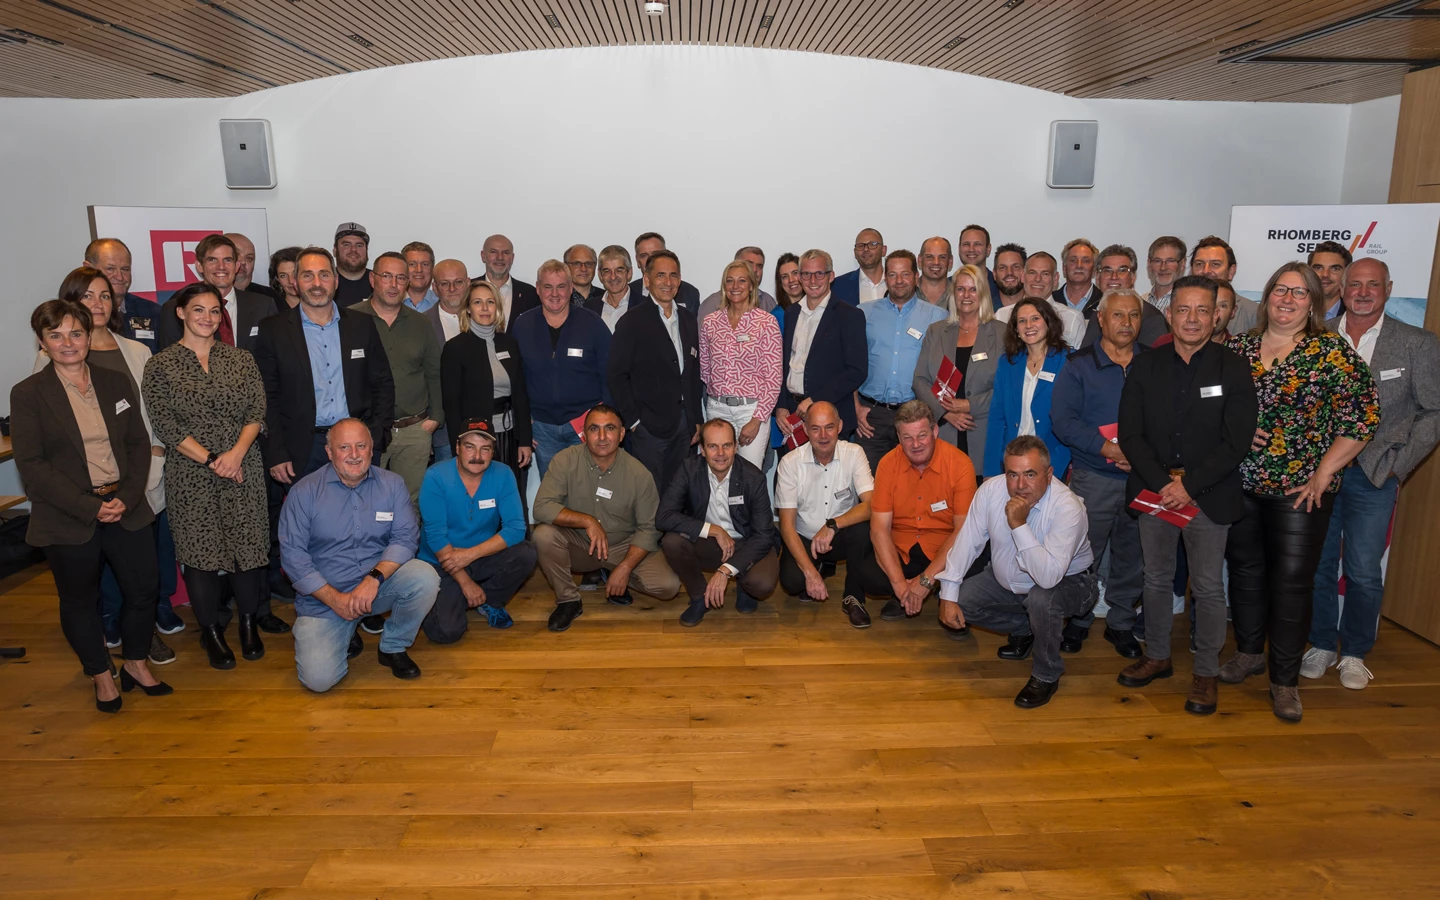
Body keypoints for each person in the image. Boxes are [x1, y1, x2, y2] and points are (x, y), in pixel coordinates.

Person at [1221, 262, 1380, 722]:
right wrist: (1232, 433)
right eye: (1280, 290)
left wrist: (1324, 472)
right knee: (1246, 573)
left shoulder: (1332, 352)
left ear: (1314, 302)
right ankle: (1249, 654)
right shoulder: (1240, 348)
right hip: (1240, 483)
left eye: (1299, 293)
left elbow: (1362, 419)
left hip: (1300, 490)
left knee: (1292, 583)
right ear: (1268, 295)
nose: (1287, 300)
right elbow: (1212, 406)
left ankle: (1284, 681)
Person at [12, 299, 170, 712]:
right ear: (43, 343)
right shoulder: (28, 393)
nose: (68, 343)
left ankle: (135, 662)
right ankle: (101, 674)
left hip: (126, 503)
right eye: (56, 335)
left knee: (144, 589)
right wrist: (89, 506)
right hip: (67, 513)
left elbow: (138, 443)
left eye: (75, 333)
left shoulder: (115, 382)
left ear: (88, 335)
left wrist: (128, 496)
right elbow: (31, 465)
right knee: (80, 600)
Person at [1116, 275, 1258, 715]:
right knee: (1156, 580)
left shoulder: (1232, 367)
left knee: (1209, 587)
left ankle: (1206, 673)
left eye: (1202, 310)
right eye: (1183, 309)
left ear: (1217, 314)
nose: (1192, 319)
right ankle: (1157, 656)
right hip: (1155, 491)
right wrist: (1163, 484)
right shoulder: (1145, 366)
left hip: (1207, 495)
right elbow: (1130, 434)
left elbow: (1238, 439)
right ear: (1170, 313)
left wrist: (1189, 486)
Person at [1306, 258, 1440, 689]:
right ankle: (1321, 643)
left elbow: (1433, 411)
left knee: (1363, 568)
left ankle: (1356, 653)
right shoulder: (1316, 338)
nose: (1363, 292)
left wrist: (1399, 465)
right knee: (1318, 564)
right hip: (1318, 473)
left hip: (1374, 474)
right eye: (1355, 285)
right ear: (1341, 289)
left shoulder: (1417, 343)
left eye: (1373, 285)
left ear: (1388, 288)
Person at [39, 268, 178, 659]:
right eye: (87, 296)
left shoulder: (136, 351)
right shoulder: (47, 363)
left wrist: (153, 461)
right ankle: (105, 631)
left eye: (104, 296)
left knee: (141, 572)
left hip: (137, 479)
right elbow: (46, 443)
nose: (98, 304)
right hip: (78, 493)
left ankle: (142, 637)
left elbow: (150, 418)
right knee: (90, 577)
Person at [143, 282, 271, 669]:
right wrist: (214, 459)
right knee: (200, 555)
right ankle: (212, 632)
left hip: (243, 466)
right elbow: (165, 424)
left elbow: (256, 412)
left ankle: (248, 624)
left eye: (215, 311)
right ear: (180, 313)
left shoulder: (241, 360)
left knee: (248, 551)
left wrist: (234, 455)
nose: (207, 318)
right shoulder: (160, 365)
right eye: (198, 310)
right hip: (190, 473)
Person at [280, 419, 440, 691]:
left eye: (361, 446)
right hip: (325, 598)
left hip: (376, 587)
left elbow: (405, 537)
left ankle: (392, 647)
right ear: (329, 452)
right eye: (344, 447)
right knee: (319, 681)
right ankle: (346, 629)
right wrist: (335, 599)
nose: (354, 455)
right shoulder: (304, 492)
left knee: (424, 577)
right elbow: (293, 557)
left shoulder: (392, 484)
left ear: (371, 448)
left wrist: (373, 579)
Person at [939, 436, 1094, 707]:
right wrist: (947, 595)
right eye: (1013, 474)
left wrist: (1019, 524)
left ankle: (1046, 674)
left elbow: (1047, 578)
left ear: (1048, 474)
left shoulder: (1068, 507)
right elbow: (968, 542)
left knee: (1041, 600)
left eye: (1030, 474)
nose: (1020, 485)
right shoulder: (990, 491)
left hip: (1070, 583)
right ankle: (1028, 628)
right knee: (962, 600)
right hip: (1004, 580)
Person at [1051, 289, 1146, 658]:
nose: (1126, 323)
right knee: (1083, 554)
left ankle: (1121, 623)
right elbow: (1064, 421)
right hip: (1094, 476)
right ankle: (1078, 619)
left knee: (1132, 555)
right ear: (1101, 320)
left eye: (1134, 315)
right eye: (1118, 315)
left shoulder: (1154, 363)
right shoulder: (1078, 365)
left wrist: (1139, 457)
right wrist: (1107, 448)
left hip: (1142, 479)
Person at [253, 247, 395, 487]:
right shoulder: (273, 330)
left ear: (336, 281)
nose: (316, 283)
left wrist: (376, 437)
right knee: (307, 521)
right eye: (307, 275)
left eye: (324, 275)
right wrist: (276, 452)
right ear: (296, 282)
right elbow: (268, 396)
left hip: (355, 443)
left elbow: (382, 383)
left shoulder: (362, 325)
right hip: (301, 449)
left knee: (359, 517)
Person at [532, 404, 681, 631]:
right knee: (543, 535)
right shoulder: (564, 460)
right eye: (594, 429)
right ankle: (569, 600)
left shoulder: (639, 473)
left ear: (622, 434)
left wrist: (625, 568)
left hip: (623, 545)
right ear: (584, 434)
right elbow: (542, 507)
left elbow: (649, 528)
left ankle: (612, 571)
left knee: (667, 586)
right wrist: (587, 521)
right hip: (580, 544)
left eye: (609, 428)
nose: (602, 437)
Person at [417, 420, 536, 643]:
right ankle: (458, 595)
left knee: (526, 553)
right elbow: (435, 536)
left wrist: (470, 554)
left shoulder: (503, 474)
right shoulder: (436, 476)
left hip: (479, 555)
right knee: (446, 633)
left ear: (493, 451)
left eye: (485, 449)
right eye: (470, 447)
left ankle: (491, 600)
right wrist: (465, 582)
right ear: (457, 447)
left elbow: (517, 528)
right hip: (440, 561)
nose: (477, 456)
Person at [861, 400, 976, 628]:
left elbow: (963, 532)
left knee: (976, 566)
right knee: (868, 575)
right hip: (903, 548)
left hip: (946, 549)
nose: (915, 444)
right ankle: (904, 596)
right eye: (907, 437)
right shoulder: (887, 464)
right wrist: (900, 585)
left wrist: (925, 581)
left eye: (922, 435)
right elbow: (879, 529)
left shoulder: (960, 464)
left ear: (934, 431)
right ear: (898, 436)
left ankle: (945, 597)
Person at [658, 419, 779, 626]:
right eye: (713, 446)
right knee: (671, 541)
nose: (720, 453)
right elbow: (663, 516)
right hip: (709, 542)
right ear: (702, 450)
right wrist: (712, 530)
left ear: (736, 447)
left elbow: (764, 535)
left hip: (746, 542)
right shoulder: (688, 469)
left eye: (727, 445)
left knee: (761, 583)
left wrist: (725, 571)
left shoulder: (753, 477)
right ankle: (699, 597)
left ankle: (743, 583)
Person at [351, 251, 444, 502]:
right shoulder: (349, 319)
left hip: (414, 429)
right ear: (373, 279)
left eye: (400, 278)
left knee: (410, 501)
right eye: (387, 276)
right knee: (364, 498)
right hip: (365, 430)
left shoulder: (421, 323)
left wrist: (435, 419)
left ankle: (406, 544)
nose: (393, 285)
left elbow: (434, 373)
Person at [610, 249, 704, 491]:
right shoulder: (632, 321)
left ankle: (674, 530)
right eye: (660, 275)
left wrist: (696, 420)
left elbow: (692, 374)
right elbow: (617, 375)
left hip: (684, 426)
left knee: (679, 491)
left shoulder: (687, 318)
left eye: (673, 275)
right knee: (650, 494)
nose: (668, 282)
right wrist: (633, 422)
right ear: (647, 280)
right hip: (648, 427)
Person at [511, 260, 611, 477]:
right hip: (542, 429)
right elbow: (515, 378)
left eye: (561, 286)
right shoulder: (522, 325)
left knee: (589, 491)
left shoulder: (592, 323)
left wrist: (604, 420)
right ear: (538, 289)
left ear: (571, 288)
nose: (554, 294)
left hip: (585, 425)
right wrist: (524, 423)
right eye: (548, 287)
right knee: (554, 495)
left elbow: (609, 374)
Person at [774, 402, 876, 611]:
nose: (823, 435)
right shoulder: (789, 463)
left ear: (840, 426)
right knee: (793, 582)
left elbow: (872, 504)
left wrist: (832, 525)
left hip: (840, 535)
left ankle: (853, 597)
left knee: (864, 528)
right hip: (805, 537)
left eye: (829, 427)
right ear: (804, 429)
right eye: (815, 428)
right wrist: (810, 574)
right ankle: (818, 566)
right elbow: (786, 526)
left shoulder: (855, 453)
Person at [855, 250, 950, 473]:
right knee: (872, 488)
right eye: (893, 275)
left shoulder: (939, 316)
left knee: (918, 483)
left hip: (917, 414)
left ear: (916, 277)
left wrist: (939, 412)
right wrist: (856, 408)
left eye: (905, 274)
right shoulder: (863, 313)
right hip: (871, 417)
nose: (899, 281)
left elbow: (944, 370)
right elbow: (850, 363)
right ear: (885, 277)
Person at [442, 279, 531, 504]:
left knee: (509, 494)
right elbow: (451, 405)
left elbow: (520, 394)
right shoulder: (455, 348)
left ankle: (514, 539)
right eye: (478, 302)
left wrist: (525, 441)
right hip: (476, 439)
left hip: (509, 436)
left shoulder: (509, 344)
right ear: (468, 309)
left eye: (490, 302)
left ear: (497, 308)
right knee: (481, 495)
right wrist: (459, 447)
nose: (484, 308)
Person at [775, 249, 868, 444]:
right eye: (806, 274)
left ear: (831, 276)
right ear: (799, 277)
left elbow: (856, 371)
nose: (813, 280)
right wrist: (782, 406)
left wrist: (815, 399)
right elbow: (785, 364)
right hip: (792, 415)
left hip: (830, 417)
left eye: (819, 273)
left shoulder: (849, 315)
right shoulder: (791, 313)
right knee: (791, 474)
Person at [914, 264, 1004, 461]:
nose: (966, 295)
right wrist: (945, 412)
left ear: (983, 293)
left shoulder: (1003, 333)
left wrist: (969, 405)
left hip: (984, 431)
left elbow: (1007, 388)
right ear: (953, 293)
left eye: (973, 289)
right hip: (944, 431)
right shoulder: (936, 331)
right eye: (960, 289)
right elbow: (920, 380)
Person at [699, 258, 782, 470]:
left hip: (751, 411)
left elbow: (773, 378)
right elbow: (705, 369)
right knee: (717, 473)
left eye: (742, 281)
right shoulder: (710, 322)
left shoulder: (766, 322)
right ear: (723, 285)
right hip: (716, 409)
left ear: (752, 285)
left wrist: (757, 420)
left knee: (748, 475)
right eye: (730, 281)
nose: (735, 287)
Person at [983, 297, 1070, 478]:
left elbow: (1073, 421)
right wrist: (991, 471)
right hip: (1011, 462)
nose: (1028, 325)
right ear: (1016, 329)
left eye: (1035, 318)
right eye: (1022, 321)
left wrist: (1054, 469)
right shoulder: (1008, 363)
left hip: (1050, 462)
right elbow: (997, 418)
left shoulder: (1069, 361)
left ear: (1048, 322)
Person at [157, 233, 277, 352]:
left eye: (227, 260)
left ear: (236, 266)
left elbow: (273, 356)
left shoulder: (264, 306)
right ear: (199, 266)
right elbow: (171, 360)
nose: (221, 267)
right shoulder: (175, 308)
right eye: (212, 260)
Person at [1080, 245, 1169, 347]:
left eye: (1122, 270)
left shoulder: (1151, 318)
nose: (1114, 277)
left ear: (1133, 277)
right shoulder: (1098, 313)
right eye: (1107, 271)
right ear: (1097, 277)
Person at [84, 238, 162, 352]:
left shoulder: (153, 312)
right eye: (110, 269)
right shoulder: (73, 314)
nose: (120, 277)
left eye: (125, 269)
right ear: (88, 268)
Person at [998, 250, 1087, 349]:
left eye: (1045, 274)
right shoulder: (1002, 316)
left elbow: (1079, 361)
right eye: (1032, 273)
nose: (1037, 279)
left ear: (1055, 278)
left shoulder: (1072, 318)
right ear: (1022, 276)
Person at [1191, 236, 1257, 334]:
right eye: (1199, 264)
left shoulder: (1254, 313)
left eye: (1215, 264)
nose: (1206, 271)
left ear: (1231, 271)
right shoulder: (1178, 308)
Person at [628, 232, 701, 315]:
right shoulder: (628, 292)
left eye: (655, 254)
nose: (650, 260)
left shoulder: (689, 293)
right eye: (644, 255)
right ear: (637, 261)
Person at [697, 246, 776, 320]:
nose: (754, 269)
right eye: (749, 264)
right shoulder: (713, 303)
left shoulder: (768, 301)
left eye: (759, 266)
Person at [481, 234, 540, 325]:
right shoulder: (469, 290)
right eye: (493, 252)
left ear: (512, 258)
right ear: (483, 256)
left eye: (506, 253)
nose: (500, 257)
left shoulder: (530, 294)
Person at [586, 245, 636, 332]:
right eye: (607, 271)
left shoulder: (646, 306)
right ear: (600, 275)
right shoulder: (589, 308)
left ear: (629, 273)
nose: (613, 277)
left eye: (619, 270)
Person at [831, 229, 887, 306]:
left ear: (883, 250)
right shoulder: (837, 286)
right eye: (860, 246)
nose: (866, 249)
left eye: (872, 244)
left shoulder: (900, 283)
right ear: (855, 253)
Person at [1053, 238, 1102, 314]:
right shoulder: (1050, 302)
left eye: (1086, 261)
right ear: (1064, 268)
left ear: (1094, 269)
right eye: (1073, 260)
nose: (1079, 266)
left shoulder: (1104, 302)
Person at [227, 232, 278, 304]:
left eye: (249, 258)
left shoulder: (270, 298)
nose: (243, 262)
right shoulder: (206, 295)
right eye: (236, 255)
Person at [1308, 240, 1353, 320]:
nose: (1325, 274)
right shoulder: (1293, 310)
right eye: (1318, 268)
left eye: (1335, 269)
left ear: (1346, 274)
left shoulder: (1355, 314)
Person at [958, 224, 1004, 302]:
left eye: (977, 244)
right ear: (959, 248)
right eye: (966, 244)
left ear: (988, 249)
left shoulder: (1001, 286)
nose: (971, 249)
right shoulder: (949, 286)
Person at [333, 222, 373, 307]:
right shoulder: (325, 282)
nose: (353, 250)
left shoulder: (379, 282)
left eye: (359, 245)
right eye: (346, 245)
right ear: (335, 250)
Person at [1143, 236, 1187, 313]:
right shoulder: (1140, 302)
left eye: (1170, 261)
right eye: (1157, 261)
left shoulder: (1188, 303)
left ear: (1182, 264)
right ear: (1149, 264)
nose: (1163, 268)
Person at [400, 240, 438, 313]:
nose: (419, 270)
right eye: (412, 264)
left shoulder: (442, 304)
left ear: (432, 268)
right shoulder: (390, 302)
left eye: (425, 264)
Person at [916, 236, 954, 308]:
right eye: (929, 257)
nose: (936, 262)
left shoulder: (961, 295)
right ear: (920, 260)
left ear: (950, 261)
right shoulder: (907, 293)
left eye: (942, 257)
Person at [991, 242, 1026, 309]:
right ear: (994, 274)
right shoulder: (983, 309)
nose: (1009, 272)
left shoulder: (1038, 307)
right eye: (1002, 268)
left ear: (1025, 272)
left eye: (1016, 267)